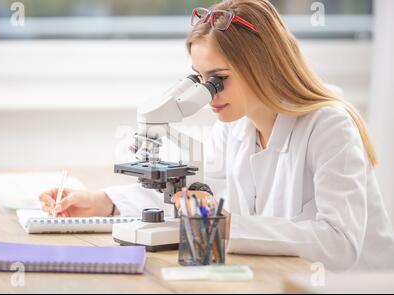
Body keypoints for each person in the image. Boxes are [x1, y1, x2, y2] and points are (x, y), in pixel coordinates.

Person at [40, 0, 394, 271]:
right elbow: (195, 193)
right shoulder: (237, 125)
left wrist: (226, 228)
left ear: (262, 67)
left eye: (218, 79)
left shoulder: (329, 125)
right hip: (275, 277)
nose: (208, 93)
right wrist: (104, 201)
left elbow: (340, 244)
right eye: (199, 78)